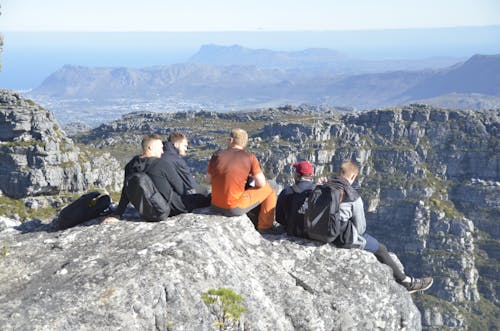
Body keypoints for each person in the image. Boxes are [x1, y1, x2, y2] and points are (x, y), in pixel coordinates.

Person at [329, 160, 434, 293]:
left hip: (317, 231)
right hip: (339, 237)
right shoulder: (353, 196)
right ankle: (406, 282)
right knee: (381, 249)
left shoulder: (324, 186)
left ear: (338, 172)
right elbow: (360, 229)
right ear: (354, 176)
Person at [103, 134, 196, 223]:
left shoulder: (131, 165)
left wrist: (118, 214)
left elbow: (126, 192)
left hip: (147, 211)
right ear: (150, 148)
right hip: (171, 209)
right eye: (160, 148)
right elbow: (181, 189)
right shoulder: (162, 164)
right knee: (203, 196)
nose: (162, 151)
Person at [206, 128, 277, 231]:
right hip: (234, 208)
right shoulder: (249, 157)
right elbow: (261, 183)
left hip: (214, 206)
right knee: (272, 185)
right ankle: (265, 227)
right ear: (244, 143)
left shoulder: (216, 156)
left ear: (230, 140)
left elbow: (208, 181)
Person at [276, 161, 315, 236]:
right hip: (312, 233)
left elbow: (279, 218)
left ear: (297, 175)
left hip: (292, 232)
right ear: (311, 175)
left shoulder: (286, 191)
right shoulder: (317, 191)